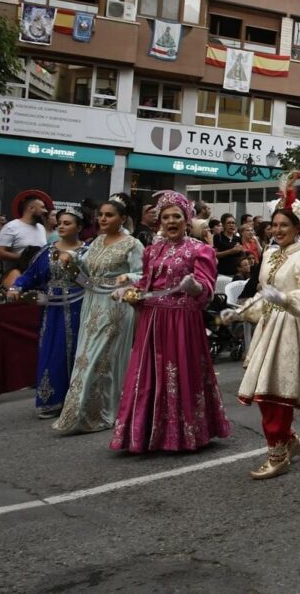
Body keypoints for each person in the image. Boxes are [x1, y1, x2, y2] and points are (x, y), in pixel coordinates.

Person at [111, 191, 231, 453]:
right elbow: (145, 284)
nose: (171, 221)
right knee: (148, 377)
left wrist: (196, 287)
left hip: (181, 324)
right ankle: (144, 433)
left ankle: (183, 434)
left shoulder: (201, 250)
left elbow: (207, 290)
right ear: (160, 222)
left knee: (180, 376)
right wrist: (130, 292)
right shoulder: (153, 251)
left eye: (177, 216)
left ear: (187, 219)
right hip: (152, 322)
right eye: (166, 217)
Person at [234, 192, 300, 478]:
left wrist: (285, 299)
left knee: (276, 393)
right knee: (265, 393)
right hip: (268, 326)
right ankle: (287, 440)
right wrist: (245, 309)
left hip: (290, 327)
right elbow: (263, 292)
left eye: (283, 226)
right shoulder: (270, 252)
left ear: (298, 227)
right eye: (274, 225)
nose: (276, 230)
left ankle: (278, 455)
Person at [54, 194, 144, 435]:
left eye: (109, 215)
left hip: (116, 306)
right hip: (92, 303)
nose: (103, 218)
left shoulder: (132, 244)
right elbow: (83, 266)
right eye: (101, 215)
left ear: (122, 218)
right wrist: (68, 258)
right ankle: (82, 413)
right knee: (84, 356)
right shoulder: (96, 241)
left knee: (101, 359)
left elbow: (143, 275)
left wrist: (127, 280)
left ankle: (100, 413)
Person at [7, 208, 87, 419]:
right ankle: (52, 399)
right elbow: (29, 276)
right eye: (60, 222)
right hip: (52, 310)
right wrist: (17, 287)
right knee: (53, 350)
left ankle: (78, 400)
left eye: (67, 223)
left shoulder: (87, 252)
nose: (61, 226)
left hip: (81, 307)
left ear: (79, 227)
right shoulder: (46, 251)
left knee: (79, 352)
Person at [0, 191, 50, 288]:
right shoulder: (12, 227)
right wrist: (24, 257)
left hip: (37, 282)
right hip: (14, 280)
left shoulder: (41, 228)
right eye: (42, 207)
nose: (45, 211)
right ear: (31, 208)